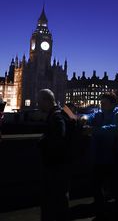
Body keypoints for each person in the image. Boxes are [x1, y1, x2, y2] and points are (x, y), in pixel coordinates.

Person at [85, 92, 118, 220]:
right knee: (96, 187)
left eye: (104, 103)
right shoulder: (99, 113)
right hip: (99, 155)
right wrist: (84, 118)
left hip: (114, 155)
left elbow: (116, 129)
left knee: (115, 187)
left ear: (112, 104)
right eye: (101, 103)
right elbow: (89, 116)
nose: (101, 105)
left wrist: (95, 130)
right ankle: (100, 213)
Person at [37, 89, 69, 221]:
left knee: (52, 198)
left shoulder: (55, 116)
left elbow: (59, 137)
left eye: (40, 102)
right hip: (65, 162)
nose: (38, 105)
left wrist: (43, 142)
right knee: (62, 196)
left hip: (55, 163)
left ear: (47, 100)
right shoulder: (65, 110)